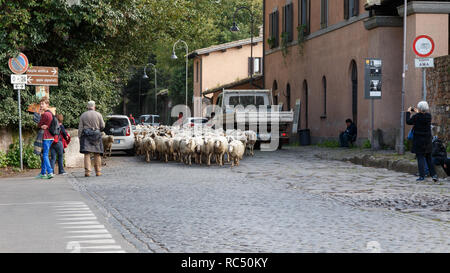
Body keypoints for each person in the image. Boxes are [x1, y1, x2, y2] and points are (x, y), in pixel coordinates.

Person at [406, 101, 438, 182]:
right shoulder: (428, 116)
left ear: (419, 108)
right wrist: (418, 111)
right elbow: (422, 115)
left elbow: (408, 121)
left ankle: (422, 176)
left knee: (420, 158)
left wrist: (408, 112)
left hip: (419, 141)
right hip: (427, 141)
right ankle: (434, 175)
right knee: (429, 158)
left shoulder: (416, 117)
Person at [79, 101, 105, 177]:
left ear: (87, 107)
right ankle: (98, 171)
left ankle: (87, 172)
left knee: (87, 154)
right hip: (96, 135)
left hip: (86, 136)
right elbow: (102, 126)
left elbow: (80, 128)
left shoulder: (83, 115)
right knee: (97, 154)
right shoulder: (98, 114)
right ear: (94, 106)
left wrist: (79, 137)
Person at [36, 97, 54, 179]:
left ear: (47, 104)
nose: (41, 105)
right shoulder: (50, 113)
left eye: (43, 104)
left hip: (46, 136)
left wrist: (39, 115)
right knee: (44, 154)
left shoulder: (45, 114)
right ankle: (43, 173)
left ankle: (50, 172)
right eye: (40, 104)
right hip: (50, 136)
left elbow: (39, 124)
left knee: (45, 155)